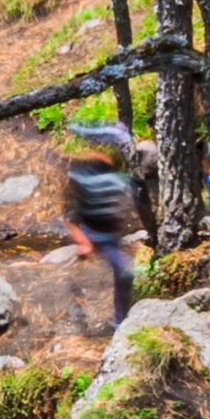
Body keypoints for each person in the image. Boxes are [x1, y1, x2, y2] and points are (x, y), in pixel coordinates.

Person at [59, 139, 151, 326]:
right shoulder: (85, 183)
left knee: (121, 275)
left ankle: (119, 319)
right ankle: (116, 321)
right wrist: (83, 241)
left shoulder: (111, 180)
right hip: (96, 236)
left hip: (109, 235)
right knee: (125, 270)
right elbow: (70, 218)